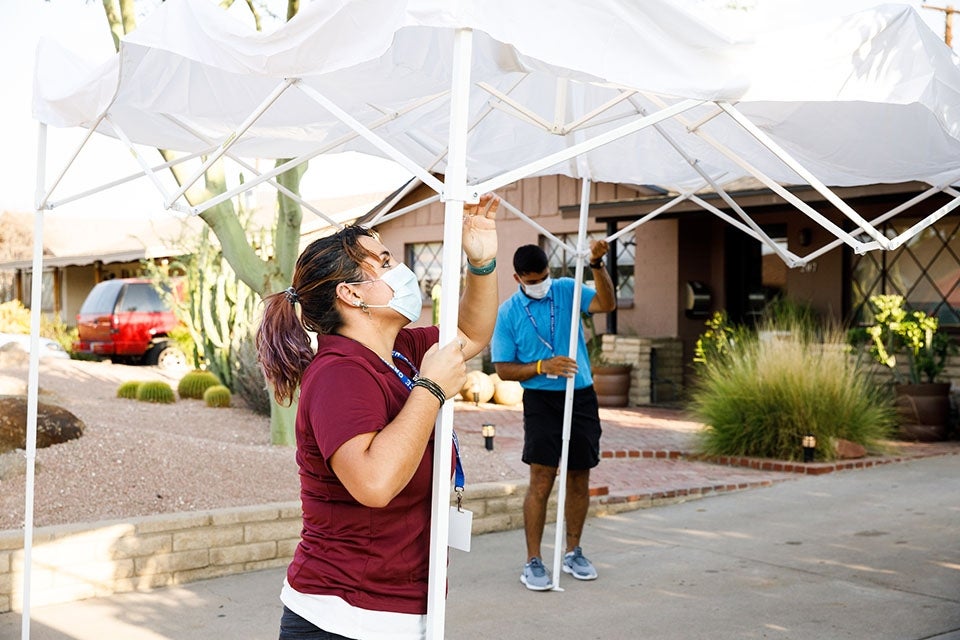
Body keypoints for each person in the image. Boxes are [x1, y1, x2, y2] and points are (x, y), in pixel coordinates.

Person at [256, 195, 500, 640]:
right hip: (345, 618)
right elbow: (374, 483)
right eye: (385, 262)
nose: (401, 270)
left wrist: (481, 264)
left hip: (396, 612)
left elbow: (470, 334)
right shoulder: (338, 374)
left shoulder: (399, 352)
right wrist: (431, 391)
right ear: (350, 294)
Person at [491, 241, 616, 591]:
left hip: (581, 396)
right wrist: (542, 366)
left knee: (579, 475)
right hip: (542, 401)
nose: (541, 283)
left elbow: (607, 303)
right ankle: (533, 561)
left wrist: (597, 263)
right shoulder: (509, 311)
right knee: (542, 478)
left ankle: (573, 551)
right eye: (533, 280)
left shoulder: (565, 290)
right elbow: (502, 369)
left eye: (544, 277)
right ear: (518, 277)